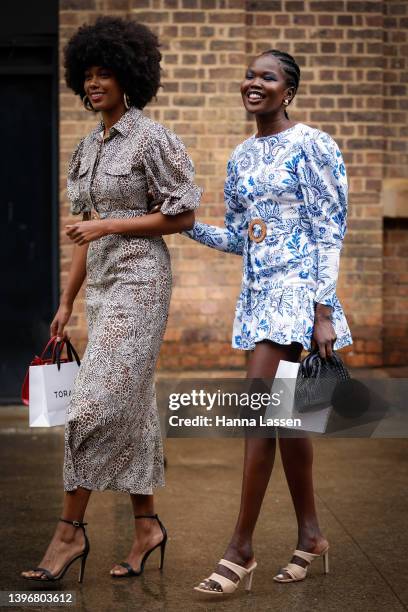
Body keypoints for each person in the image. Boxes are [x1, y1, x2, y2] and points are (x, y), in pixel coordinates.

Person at [21, 16, 201, 582]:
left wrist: (109, 228)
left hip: (142, 281)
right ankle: (146, 526)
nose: (95, 83)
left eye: (106, 74)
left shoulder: (150, 137)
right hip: (99, 288)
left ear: (129, 77)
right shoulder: (87, 146)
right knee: (136, 407)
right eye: (88, 75)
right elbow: (83, 231)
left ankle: (68, 535)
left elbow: (184, 213)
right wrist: (66, 302)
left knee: (91, 407)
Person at [183, 49, 352, 595]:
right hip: (259, 297)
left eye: (268, 77)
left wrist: (323, 312)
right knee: (287, 423)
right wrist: (183, 225)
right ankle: (311, 537)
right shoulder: (240, 156)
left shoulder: (313, 145)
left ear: (289, 91)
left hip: (301, 298)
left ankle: (240, 550)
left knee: (258, 417)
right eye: (250, 75)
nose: (253, 83)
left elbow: (330, 231)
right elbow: (241, 237)